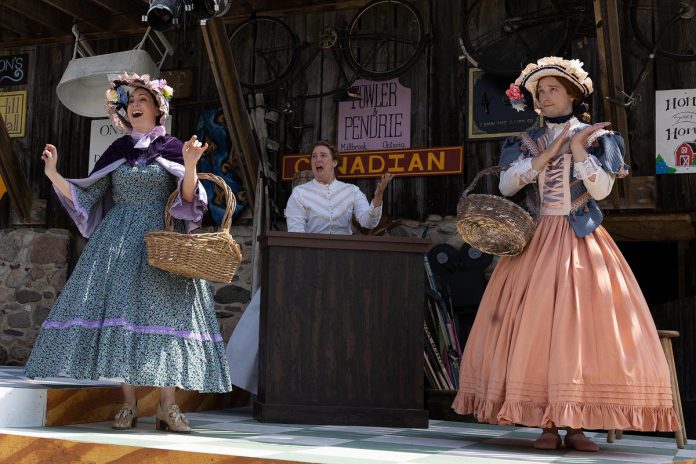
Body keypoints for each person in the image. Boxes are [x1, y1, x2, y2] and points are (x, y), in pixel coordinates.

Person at [452, 57, 680, 451]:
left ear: (573, 94)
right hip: (537, 240)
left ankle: (576, 424)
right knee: (537, 329)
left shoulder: (595, 137)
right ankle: (548, 424)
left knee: (581, 331)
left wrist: (576, 147)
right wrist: (545, 154)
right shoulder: (526, 140)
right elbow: (506, 187)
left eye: (552, 89)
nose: (544, 96)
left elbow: (603, 191)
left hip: (580, 238)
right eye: (539, 92)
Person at [24, 73, 232, 433]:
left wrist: (192, 164)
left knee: (170, 317)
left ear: (157, 108)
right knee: (118, 315)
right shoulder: (118, 151)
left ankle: (169, 408)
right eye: (130, 101)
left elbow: (188, 199)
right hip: (117, 243)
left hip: (162, 243)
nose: (134, 105)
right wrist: (54, 174)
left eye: (141, 100)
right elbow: (88, 195)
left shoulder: (172, 147)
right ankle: (129, 403)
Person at [226, 141, 394, 393]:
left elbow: (367, 221)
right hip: (309, 263)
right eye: (314, 156)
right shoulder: (301, 194)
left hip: (344, 266)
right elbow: (295, 233)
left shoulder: (351, 192)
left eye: (324, 156)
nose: (318, 160)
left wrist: (378, 198)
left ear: (334, 162)